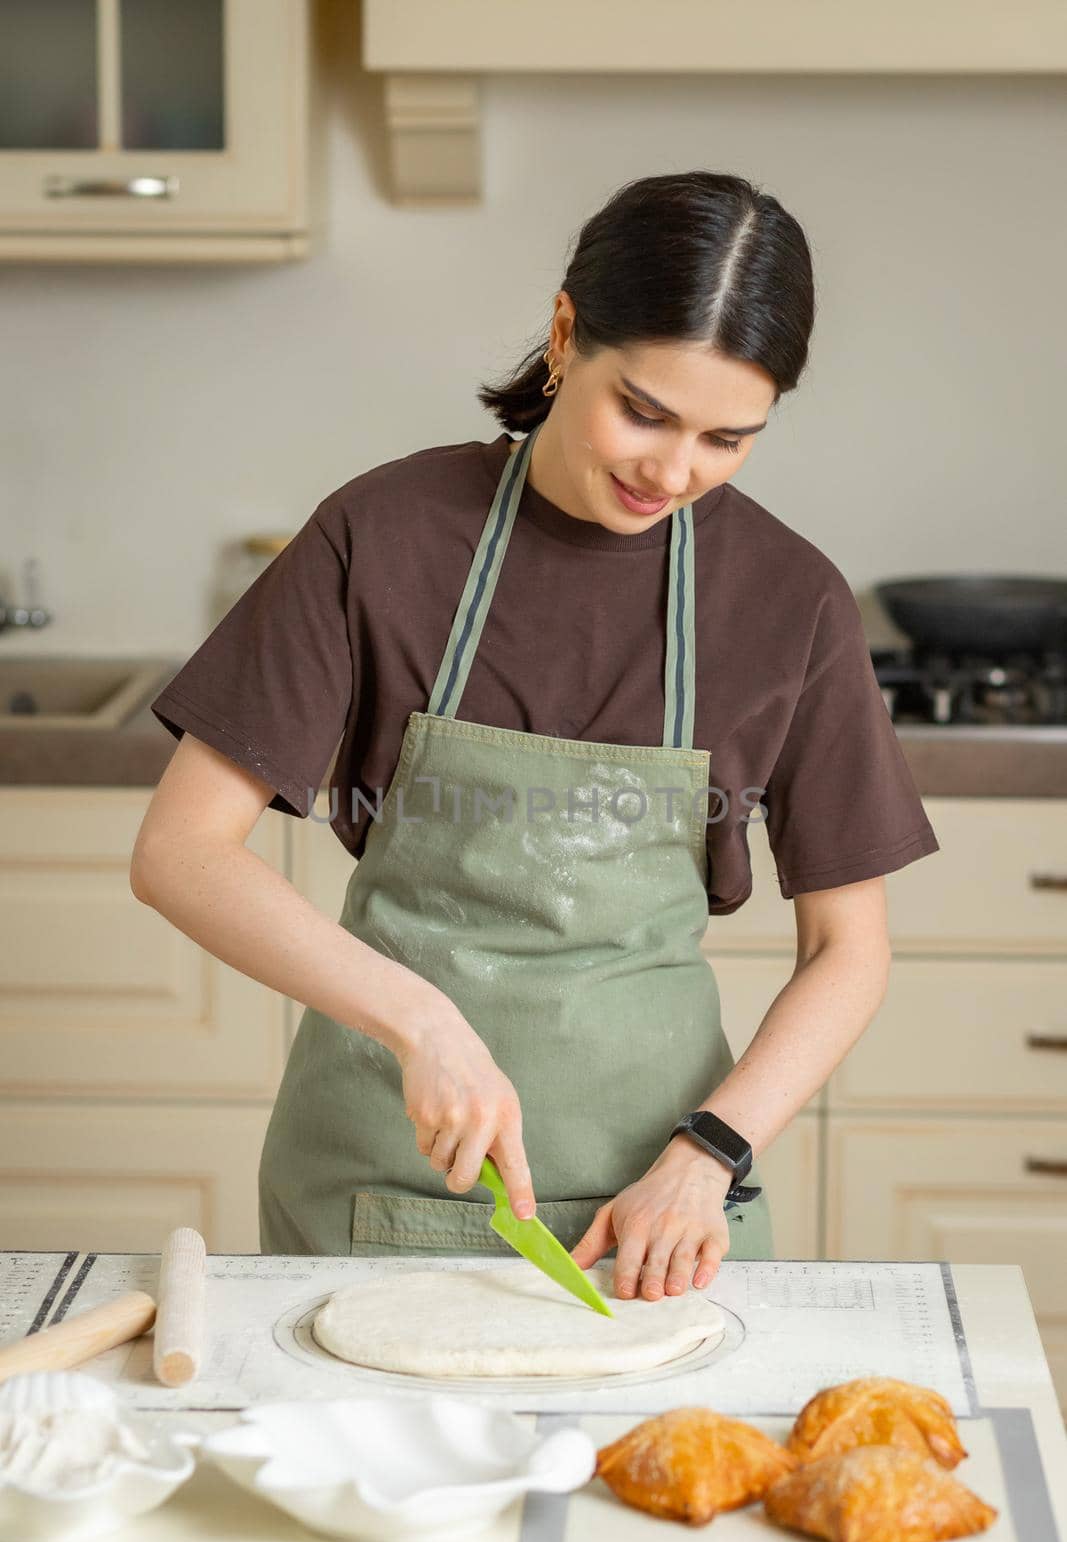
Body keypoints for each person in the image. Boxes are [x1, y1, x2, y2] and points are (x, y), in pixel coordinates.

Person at [132, 170, 938, 1301]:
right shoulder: (385, 535)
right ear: (565, 333)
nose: (670, 471)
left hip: (660, 1209)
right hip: (377, 1181)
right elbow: (179, 853)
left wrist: (708, 1154)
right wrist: (419, 1021)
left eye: (725, 438)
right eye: (643, 413)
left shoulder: (789, 598)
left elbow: (847, 950)